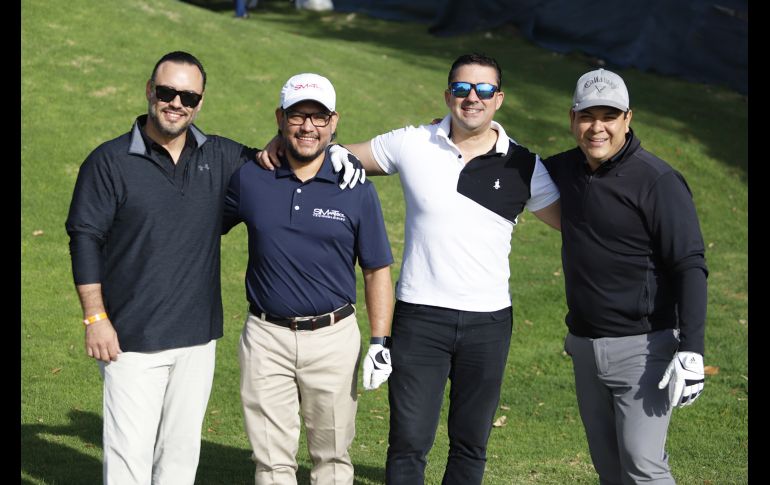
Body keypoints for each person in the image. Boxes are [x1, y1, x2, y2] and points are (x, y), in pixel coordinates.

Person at [259, 53, 561, 485]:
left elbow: (578, 225)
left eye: (483, 90)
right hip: (421, 319)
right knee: (407, 443)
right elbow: (332, 153)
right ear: (447, 95)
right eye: (461, 89)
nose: (471, 98)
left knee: (471, 444)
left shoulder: (523, 166)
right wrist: (278, 142)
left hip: (489, 322)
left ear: (499, 99)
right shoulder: (414, 143)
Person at [65, 51, 260, 484]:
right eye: (168, 92)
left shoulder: (223, 157)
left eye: (188, 96)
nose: (177, 103)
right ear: (150, 91)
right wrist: (95, 318)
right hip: (131, 341)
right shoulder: (109, 161)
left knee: (180, 457)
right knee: (128, 458)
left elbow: (284, 158)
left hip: (197, 339)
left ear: (200, 102)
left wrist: (344, 157)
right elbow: (85, 240)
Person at [224, 73, 395, 485]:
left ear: (333, 122)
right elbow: (199, 226)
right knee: (271, 462)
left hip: (333, 339)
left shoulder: (354, 186)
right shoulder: (251, 177)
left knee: (333, 460)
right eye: (298, 116)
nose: (308, 127)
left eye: (318, 118)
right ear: (281, 118)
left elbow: (376, 269)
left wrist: (379, 341)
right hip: (266, 338)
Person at [542, 68, 707, 484]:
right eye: (587, 116)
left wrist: (693, 349)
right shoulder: (563, 170)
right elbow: (507, 168)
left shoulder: (658, 181)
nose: (597, 127)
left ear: (627, 119)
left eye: (608, 116)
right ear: (572, 118)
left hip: (644, 349)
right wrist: (453, 135)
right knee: (609, 468)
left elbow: (689, 264)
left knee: (643, 464)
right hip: (583, 346)